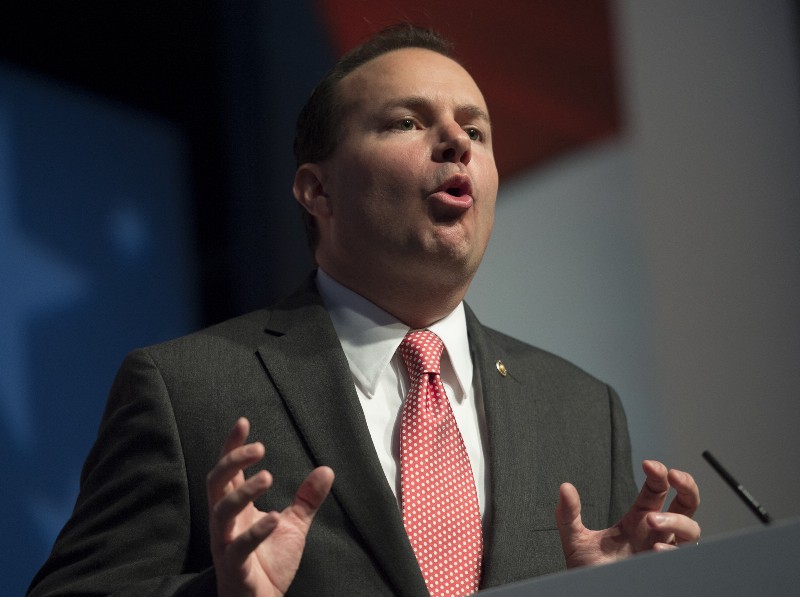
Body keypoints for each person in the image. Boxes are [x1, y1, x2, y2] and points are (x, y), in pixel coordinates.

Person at [28, 24, 700, 597]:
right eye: (408, 121)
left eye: (475, 129)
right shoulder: (188, 389)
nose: (456, 142)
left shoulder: (582, 410)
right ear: (316, 190)